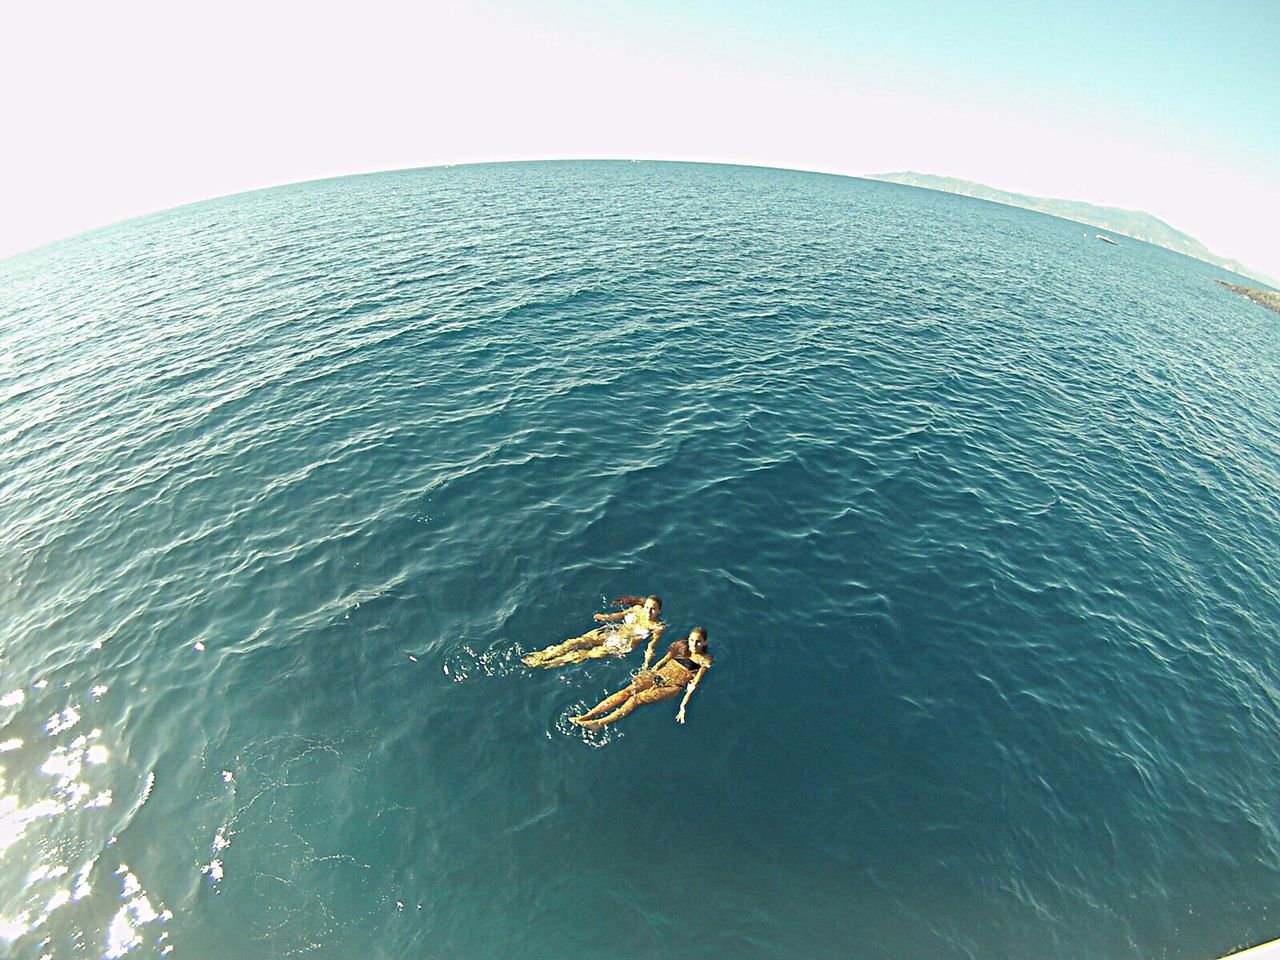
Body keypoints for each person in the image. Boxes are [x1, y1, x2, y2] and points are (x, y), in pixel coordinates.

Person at [571, 627, 712, 728]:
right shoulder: (680, 646)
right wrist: (649, 671)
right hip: (659, 675)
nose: (694, 644)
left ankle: (600, 723)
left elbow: (694, 684)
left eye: (698, 641)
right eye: (692, 640)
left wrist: (683, 706)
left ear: (705, 643)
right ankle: (588, 715)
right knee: (626, 692)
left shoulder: (704, 660)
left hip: (673, 687)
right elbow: (664, 660)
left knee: (636, 699)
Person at [521, 596, 664, 668]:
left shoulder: (657, 627)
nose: (649, 612)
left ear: (659, 611)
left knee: (582, 654)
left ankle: (544, 664)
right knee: (577, 641)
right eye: (647, 607)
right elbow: (617, 616)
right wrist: (604, 617)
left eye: (653, 609)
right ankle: (544, 654)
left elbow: (651, 646)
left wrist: (646, 664)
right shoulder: (637, 610)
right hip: (612, 632)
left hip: (621, 645)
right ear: (643, 606)